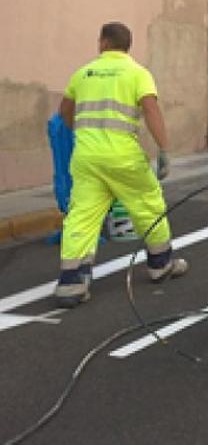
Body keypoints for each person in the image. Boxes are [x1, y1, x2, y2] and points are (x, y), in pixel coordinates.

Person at [54, 22, 187, 308]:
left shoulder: (84, 73)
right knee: (147, 204)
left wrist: (80, 132)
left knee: (83, 215)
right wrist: (163, 149)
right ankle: (160, 264)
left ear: (102, 42)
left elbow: (64, 110)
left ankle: (71, 282)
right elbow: (151, 109)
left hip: (87, 156)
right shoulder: (138, 73)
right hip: (123, 157)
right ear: (128, 45)